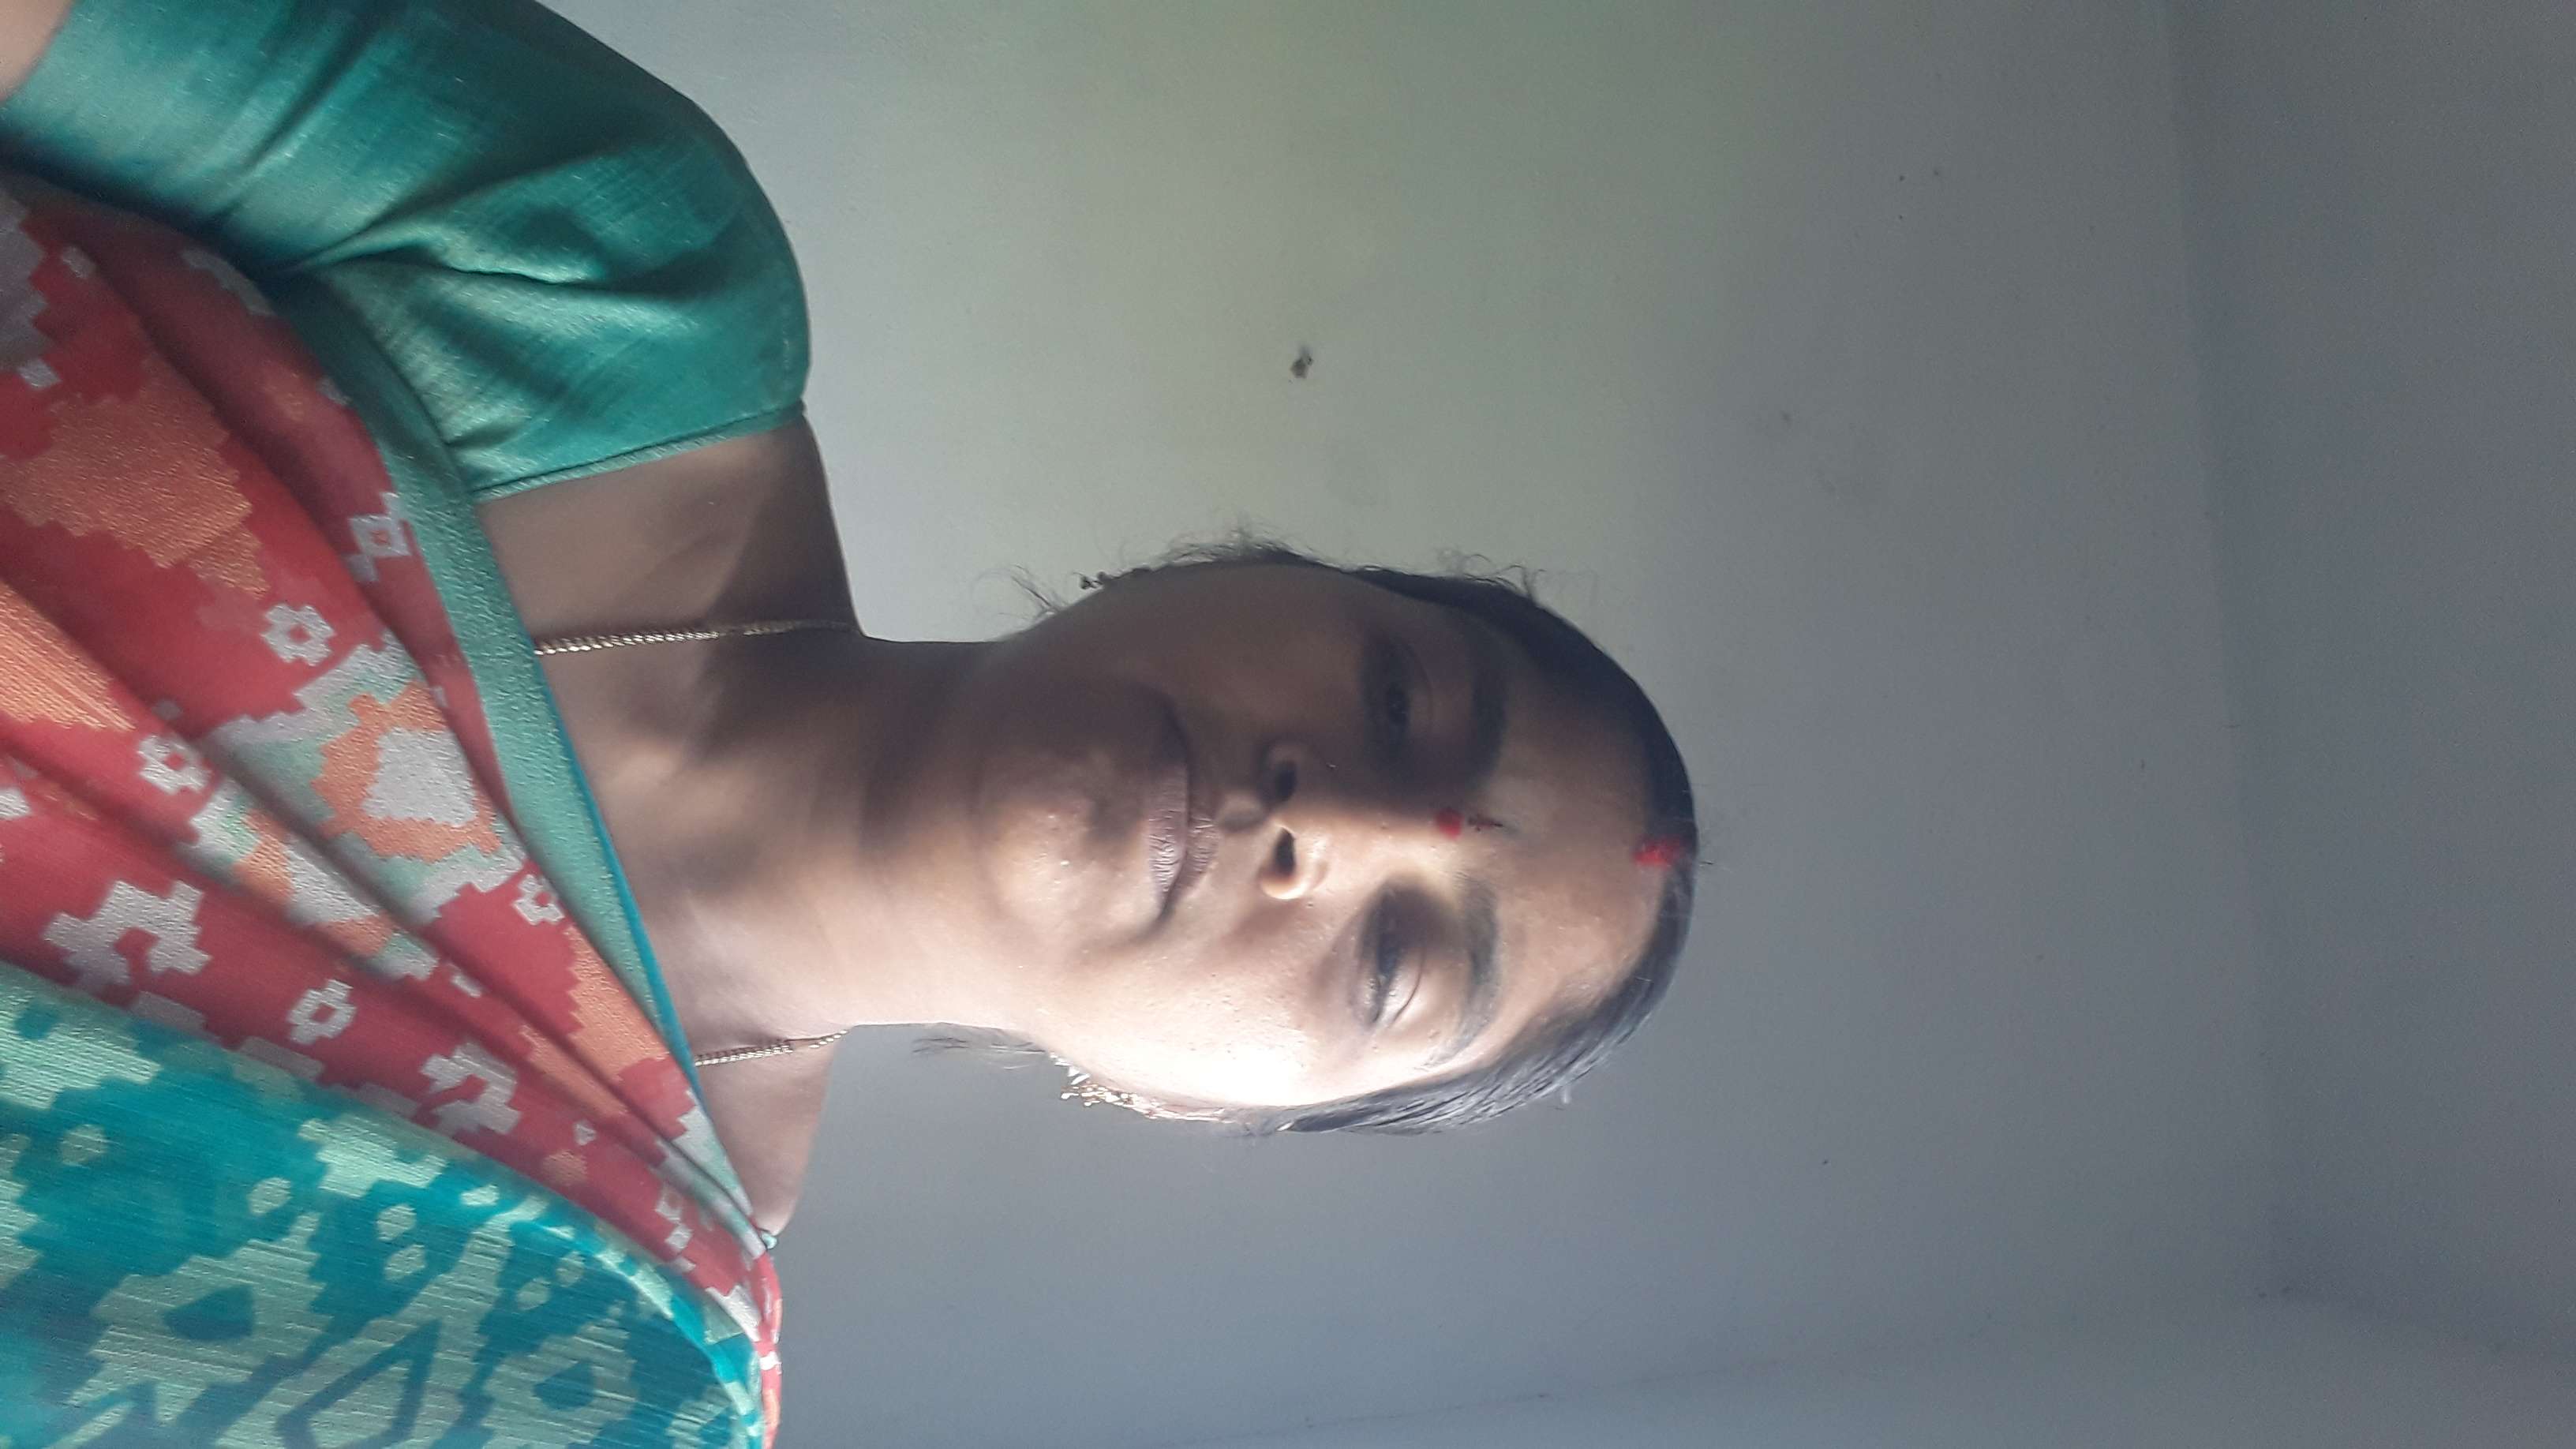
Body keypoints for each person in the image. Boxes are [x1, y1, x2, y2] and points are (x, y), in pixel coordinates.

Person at [0, 0, 1698, 1442]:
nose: (1339, 825)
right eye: (1399, 698)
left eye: (1394, 961)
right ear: (1250, 566)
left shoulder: (596, 1366)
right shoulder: (613, 281)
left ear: (1201, 1113)